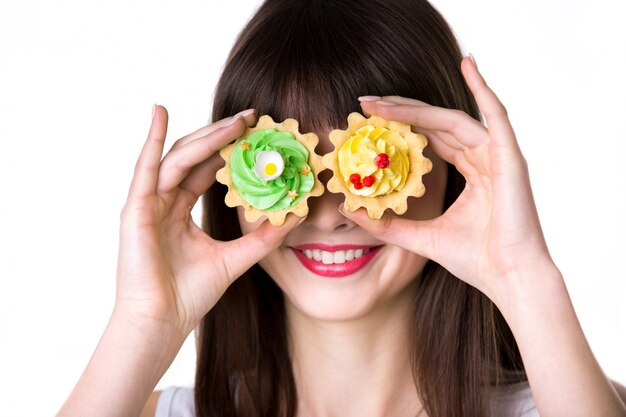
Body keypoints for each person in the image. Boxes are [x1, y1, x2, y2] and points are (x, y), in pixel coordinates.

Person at [57, 0, 626, 416]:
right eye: (289, 173)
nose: (329, 213)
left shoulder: (575, 401)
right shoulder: (146, 409)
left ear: (453, 172)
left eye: (371, 170)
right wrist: (143, 321)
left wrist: (523, 278)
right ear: (229, 181)